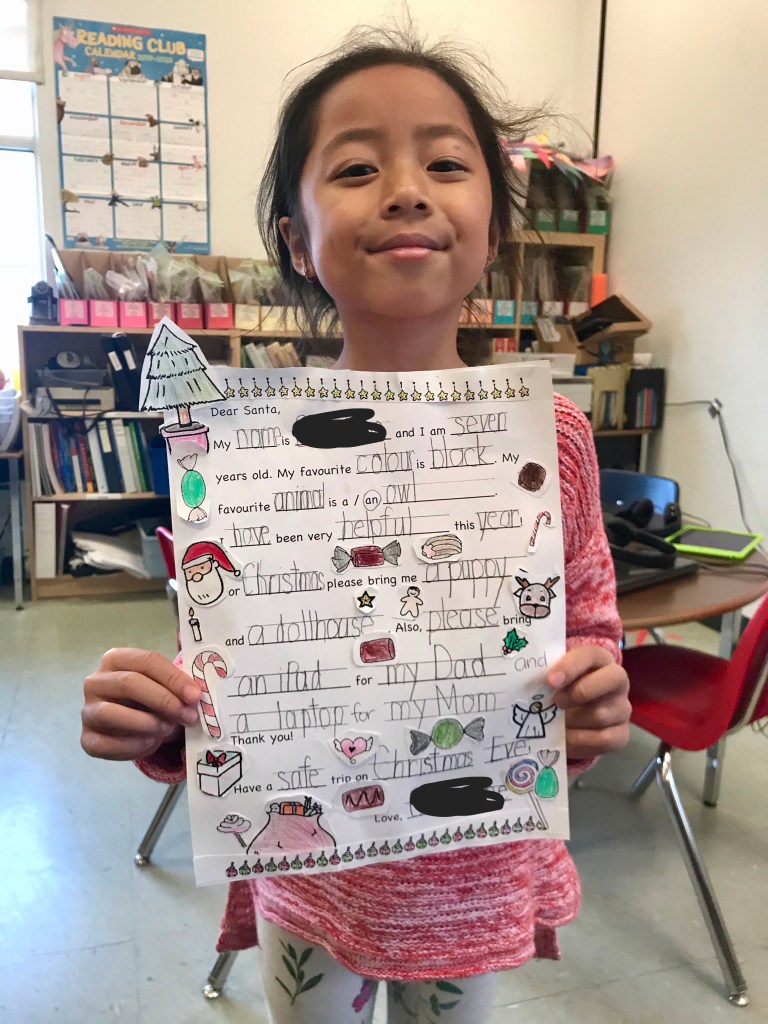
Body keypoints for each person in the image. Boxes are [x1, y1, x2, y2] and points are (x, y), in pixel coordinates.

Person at [81, 25, 630, 1024]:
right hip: (308, 862)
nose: (407, 191)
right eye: (357, 168)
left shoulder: (551, 438)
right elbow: (226, 669)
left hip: (472, 867)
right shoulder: (246, 446)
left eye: (447, 163)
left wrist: (590, 697)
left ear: (493, 231)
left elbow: (587, 633)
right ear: (297, 240)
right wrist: (159, 721)